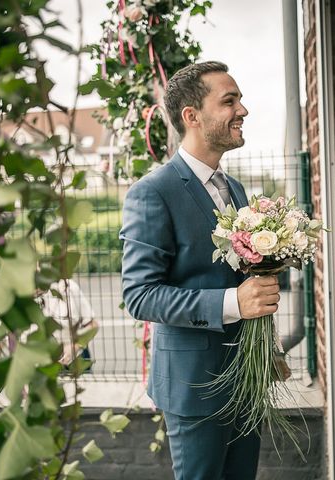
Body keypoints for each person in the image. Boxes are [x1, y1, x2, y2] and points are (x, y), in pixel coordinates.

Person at [120, 61, 280, 480]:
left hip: (246, 380)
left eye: (240, 99)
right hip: (193, 388)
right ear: (192, 116)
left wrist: (269, 347)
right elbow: (139, 295)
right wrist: (235, 303)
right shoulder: (153, 193)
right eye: (229, 101)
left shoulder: (236, 188)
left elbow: (242, 274)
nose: (243, 110)